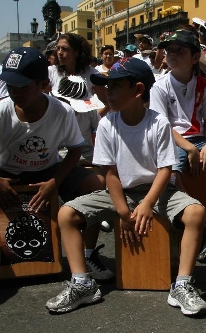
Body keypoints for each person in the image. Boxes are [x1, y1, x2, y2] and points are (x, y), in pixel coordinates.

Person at [45, 57, 206, 316]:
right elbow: (108, 172)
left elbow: (165, 169)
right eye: (106, 87)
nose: (107, 92)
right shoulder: (108, 123)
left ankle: (182, 284)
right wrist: (122, 211)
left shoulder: (158, 123)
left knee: (196, 212)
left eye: (116, 86)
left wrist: (147, 203)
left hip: (158, 191)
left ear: (138, 90)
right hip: (119, 192)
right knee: (67, 214)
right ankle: (82, 283)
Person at [0, 47, 104, 255]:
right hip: (9, 174)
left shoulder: (61, 111)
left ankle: (89, 254)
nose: (15, 93)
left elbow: (75, 150)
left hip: (49, 170)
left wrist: (55, 182)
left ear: (44, 85)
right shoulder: (3, 111)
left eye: (23, 86)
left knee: (98, 185)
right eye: (11, 86)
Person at [46, 33, 112, 279]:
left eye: (65, 49)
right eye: (58, 49)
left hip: (84, 149)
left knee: (99, 189)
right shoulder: (50, 74)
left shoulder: (90, 75)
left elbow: (100, 111)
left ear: (77, 52)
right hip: (53, 150)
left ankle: (89, 254)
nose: (60, 53)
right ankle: (46, 256)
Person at [149, 29, 206, 190]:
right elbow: (163, 126)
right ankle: (186, 207)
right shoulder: (159, 87)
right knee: (171, 173)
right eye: (169, 50)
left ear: (195, 58)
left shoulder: (205, 86)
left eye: (180, 50)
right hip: (172, 140)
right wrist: (189, 148)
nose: (172, 54)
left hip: (201, 138)